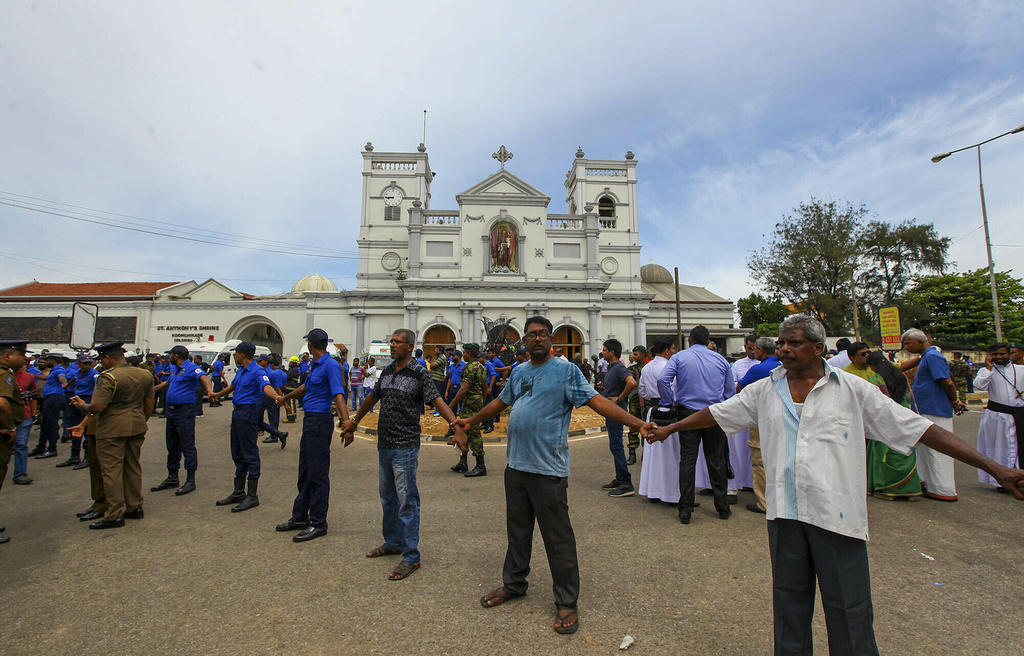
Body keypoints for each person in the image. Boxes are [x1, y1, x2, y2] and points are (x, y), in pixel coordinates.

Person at [648, 313, 1024, 655]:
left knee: (849, 611)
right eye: (781, 343)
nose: (784, 349)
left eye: (793, 343)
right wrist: (670, 428)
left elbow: (920, 429)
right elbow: (716, 413)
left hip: (837, 517)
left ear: (817, 348)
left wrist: (994, 468)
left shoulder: (852, 390)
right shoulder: (764, 390)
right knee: (789, 605)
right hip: (786, 516)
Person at [453, 316, 655, 635]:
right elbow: (499, 404)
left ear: (551, 341)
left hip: (548, 469)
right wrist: (470, 422)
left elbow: (598, 402)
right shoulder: (519, 372)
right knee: (517, 531)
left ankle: (566, 602)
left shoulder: (566, 371)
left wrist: (636, 423)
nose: (536, 339)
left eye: (542, 335)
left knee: (557, 537)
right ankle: (514, 584)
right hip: (516, 466)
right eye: (531, 335)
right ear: (524, 341)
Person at [341, 329, 458, 581]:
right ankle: (393, 542)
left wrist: (455, 425)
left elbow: (436, 399)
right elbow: (372, 397)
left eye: (397, 342)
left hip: (405, 446)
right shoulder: (387, 371)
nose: (392, 345)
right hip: (385, 444)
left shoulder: (419, 372)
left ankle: (411, 555)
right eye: (391, 341)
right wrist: (354, 421)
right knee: (388, 498)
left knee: (407, 500)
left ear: (410, 346)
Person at [69, 341, 155, 530]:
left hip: (112, 428)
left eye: (102, 359)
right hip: (136, 424)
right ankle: (134, 506)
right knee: (132, 466)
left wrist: (84, 406)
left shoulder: (108, 377)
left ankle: (114, 513)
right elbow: (150, 402)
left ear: (107, 358)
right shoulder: (144, 374)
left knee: (111, 470)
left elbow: (99, 406)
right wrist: (142, 419)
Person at [276, 329, 351, 542]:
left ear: (310, 345)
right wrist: (286, 397)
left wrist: (346, 423)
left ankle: (318, 522)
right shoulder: (315, 366)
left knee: (317, 473)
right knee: (305, 470)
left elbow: (338, 394)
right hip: (310, 421)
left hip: (319, 422)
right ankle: (300, 516)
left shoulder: (331, 366)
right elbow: (305, 387)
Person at [658, 325, 736, 523]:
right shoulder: (721, 360)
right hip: (713, 413)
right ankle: (722, 507)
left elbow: (662, 380)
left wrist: (670, 401)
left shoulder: (680, 357)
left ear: (690, 339)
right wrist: (722, 404)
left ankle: (685, 509)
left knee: (688, 460)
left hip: (688, 412)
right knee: (716, 460)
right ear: (709, 340)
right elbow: (730, 392)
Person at [209, 342, 284, 512]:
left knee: (249, 452)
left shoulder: (258, 371)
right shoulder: (242, 371)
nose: (235, 356)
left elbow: (266, 386)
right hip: (237, 413)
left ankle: (252, 495)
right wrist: (217, 395)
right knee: (237, 451)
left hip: (248, 413)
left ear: (242, 354)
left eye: (237, 353)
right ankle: (238, 492)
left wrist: (277, 397)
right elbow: (232, 387)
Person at [901, 328, 965, 501]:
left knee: (939, 449)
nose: (906, 347)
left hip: (935, 409)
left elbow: (946, 382)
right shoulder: (926, 357)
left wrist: (954, 401)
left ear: (920, 341)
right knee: (925, 450)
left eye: (909, 343)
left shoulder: (933, 357)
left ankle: (943, 489)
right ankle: (927, 484)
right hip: (926, 409)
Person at [150, 345, 213, 496]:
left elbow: (204, 377)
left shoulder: (191, 367)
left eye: (171, 354)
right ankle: (172, 477)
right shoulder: (175, 368)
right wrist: (151, 390)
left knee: (187, 445)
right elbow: (168, 383)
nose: (169, 356)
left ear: (177, 355)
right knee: (172, 445)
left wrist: (210, 391)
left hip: (184, 411)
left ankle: (190, 480)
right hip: (171, 412)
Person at [865, 351, 922, 500]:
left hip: (884, 417)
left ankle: (886, 488)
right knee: (905, 450)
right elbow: (909, 396)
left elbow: (873, 404)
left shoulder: (875, 380)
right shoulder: (900, 376)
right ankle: (908, 490)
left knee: (881, 451)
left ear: (872, 366)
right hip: (903, 413)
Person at [736, 337, 782, 514]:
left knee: (759, 460)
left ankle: (764, 502)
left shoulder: (758, 369)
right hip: (784, 417)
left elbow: (739, 388)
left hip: (762, 417)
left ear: (762, 350)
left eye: (755, 349)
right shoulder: (783, 366)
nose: (753, 352)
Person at [973, 342, 1024, 488]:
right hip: (997, 417)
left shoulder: (1020, 369)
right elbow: (979, 385)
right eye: (995, 354)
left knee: (1018, 448)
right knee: (998, 449)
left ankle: (1018, 478)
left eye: (1002, 354)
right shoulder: (986, 371)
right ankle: (1001, 481)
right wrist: (988, 368)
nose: (999, 357)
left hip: (1019, 415)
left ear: (1009, 354)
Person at [637, 337, 679, 504]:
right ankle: (671, 494)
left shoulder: (647, 368)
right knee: (671, 453)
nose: (674, 352)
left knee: (652, 454)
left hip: (652, 410)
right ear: (667, 351)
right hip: (667, 411)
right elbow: (675, 389)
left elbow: (642, 390)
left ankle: (652, 491)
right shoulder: (669, 367)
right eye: (673, 349)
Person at [597, 338, 638, 498]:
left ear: (612, 352)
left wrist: (619, 398)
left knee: (617, 445)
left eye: (605, 350)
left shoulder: (620, 368)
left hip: (616, 411)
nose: (603, 353)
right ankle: (620, 478)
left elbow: (632, 383)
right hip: (610, 411)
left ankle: (626, 483)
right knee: (614, 445)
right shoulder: (611, 367)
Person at [0, 340, 30, 544]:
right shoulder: (4, 374)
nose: (25, 359)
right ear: (7, 356)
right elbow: (2, 403)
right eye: (21, 354)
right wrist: (10, 427)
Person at [447, 343, 488, 477]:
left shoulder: (470, 367)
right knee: (463, 430)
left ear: (469, 354)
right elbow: (484, 388)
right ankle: (463, 462)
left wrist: (451, 406)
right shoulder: (481, 367)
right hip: (476, 402)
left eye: (464, 352)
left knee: (473, 433)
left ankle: (481, 466)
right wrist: (482, 402)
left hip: (470, 404)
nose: (463, 354)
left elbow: (464, 389)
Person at [57, 354, 99, 468]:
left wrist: (91, 404)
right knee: (75, 428)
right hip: (77, 400)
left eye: (89, 363)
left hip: (87, 401)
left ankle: (87, 458)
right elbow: (71, 386)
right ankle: (74, 457)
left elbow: (96, 389)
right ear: (78, 364)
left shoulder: (94, 374)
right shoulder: (77, 373)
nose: (87, 365)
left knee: (87, 430)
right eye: (84, 363)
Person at [31, 353, 68, 459]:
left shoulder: (58, 370)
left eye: (47, 360)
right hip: (50, 399)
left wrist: (64, 383)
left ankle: (52, 449)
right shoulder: (54, 369)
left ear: (52, 360)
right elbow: (45, 377)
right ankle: (41, 447)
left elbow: (62, 377)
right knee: (45, 424)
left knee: (51, 424)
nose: (46, 362)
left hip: (54, 398)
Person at [12, 359, 36, 484]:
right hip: (5, 415)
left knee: (21, 445)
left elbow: (33, 396)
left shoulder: (29, 377)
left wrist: (33, 413)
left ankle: (20, 474)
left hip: (24, 415)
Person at [626, 345, 649, 465]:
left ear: (643, 355)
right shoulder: (631, 369)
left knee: (647, 426)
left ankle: (647, 453)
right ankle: (632, 453)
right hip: (635, 402)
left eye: (636, 354)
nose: (634, 356)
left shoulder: (649, 368)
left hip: (648, 402)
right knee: (633, 427)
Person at [260, 355, 289, 446]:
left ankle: (275, 435)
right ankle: (277, 434)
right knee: (271, 417)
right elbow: (283, 387)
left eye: (260, 361)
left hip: (269, 397)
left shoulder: (271, 373)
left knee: (271, 417)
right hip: (270, 397)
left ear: (266, 362)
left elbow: (277, 388)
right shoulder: (277, 372)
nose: (259, 363)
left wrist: (283, 401)